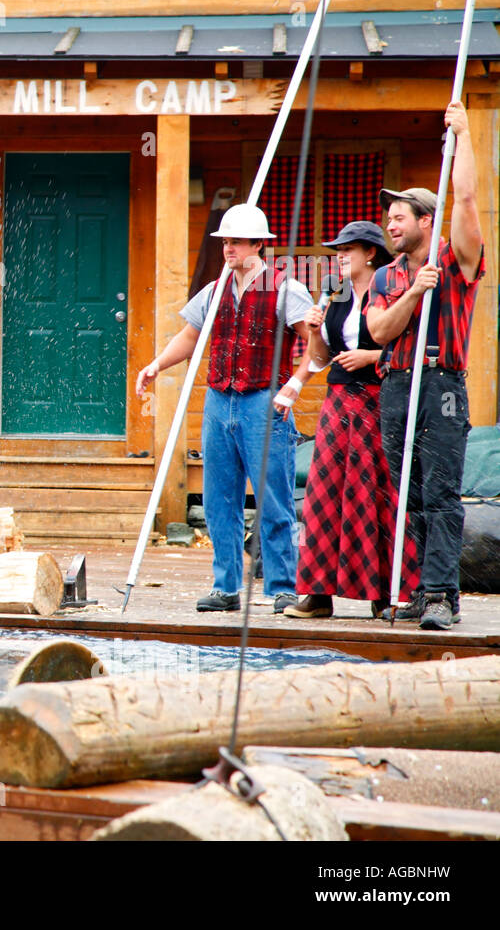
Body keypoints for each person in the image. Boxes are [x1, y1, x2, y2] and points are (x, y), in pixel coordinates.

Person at [137, 204, 312, 613]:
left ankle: (282, 586)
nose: (228, 247)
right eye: (225, 241)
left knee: (273, 499)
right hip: (218, 401)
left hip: (263, 402)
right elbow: (190, 335)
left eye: (235, 241)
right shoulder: (214, 290)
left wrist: (295, 384)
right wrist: (157, 364)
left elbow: (314, 345)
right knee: (219, 501)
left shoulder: (287, 289)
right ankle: (226, 586)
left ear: (258, 245)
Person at [367, 101, 485, 631]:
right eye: (388, 217)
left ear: (425, 221)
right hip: (395, 384)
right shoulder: (388, 277)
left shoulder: (457, 259)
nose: (390, 224)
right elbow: (378, 332)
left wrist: (462, 136)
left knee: (440, 493)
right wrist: (414, 291)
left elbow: (466, 196)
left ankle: (442, 593)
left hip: (440, 383)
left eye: (399, 216)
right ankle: (419, 588)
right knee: (408, 496)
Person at [272, 221, 420, 619]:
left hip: (379, 398)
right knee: (325, 493)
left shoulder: (391, 289)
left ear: (370, 253)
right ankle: (318, 594)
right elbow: (320, 358)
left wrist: (372, 358)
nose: (339, 256)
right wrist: (316, 332)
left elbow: (411, 348)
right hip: (338, 401)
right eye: (337, 249)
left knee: (375, 493)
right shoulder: (333, 293)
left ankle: (384, 595)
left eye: (347, 250)